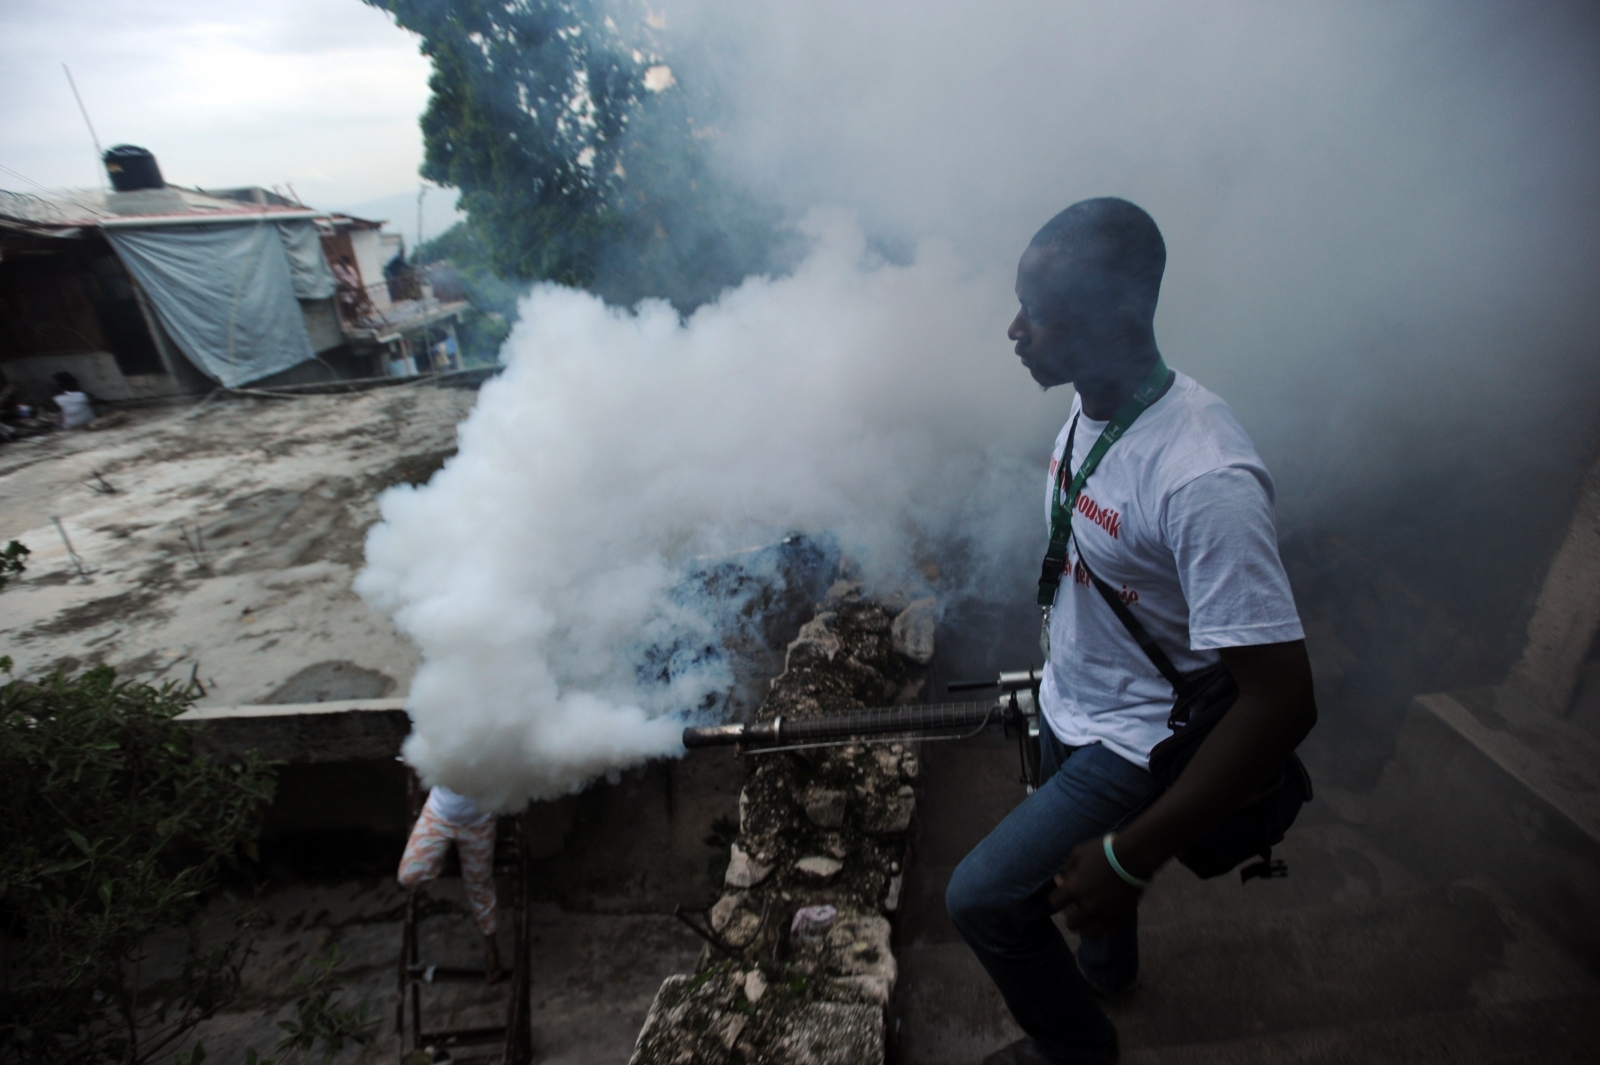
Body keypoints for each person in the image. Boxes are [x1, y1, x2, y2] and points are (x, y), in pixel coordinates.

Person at [945, 198, 1317, 1064]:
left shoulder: (1203, 477)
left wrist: (1134, 853)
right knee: (1077, 890)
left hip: (1141, 739)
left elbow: (1283, 698)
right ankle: (1106, 971)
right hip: (1073, 702)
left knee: (982, 898)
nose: (1014, 330)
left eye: (1036, 312)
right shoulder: (1093, 405)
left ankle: (1076, 1048)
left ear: (1110, 319)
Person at [398, 783, 503, 981]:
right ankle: (440, 856)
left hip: (480, 822)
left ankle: (490, 944)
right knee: (409, 876)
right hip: (438, 815)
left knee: (479, 885)